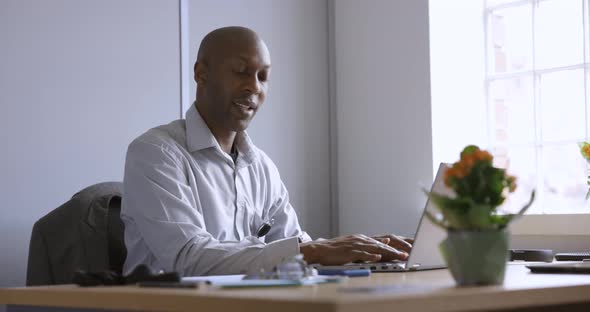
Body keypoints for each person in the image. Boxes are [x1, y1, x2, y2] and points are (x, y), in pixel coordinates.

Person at [121, 26, 413, 276]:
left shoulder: (261, 166)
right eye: (241, 72)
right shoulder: (156, 153)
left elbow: (297, 251)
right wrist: (312, 252)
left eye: (263, 76)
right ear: (201, 74)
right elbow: (187, 259)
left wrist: (363, 252)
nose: (254, 87)